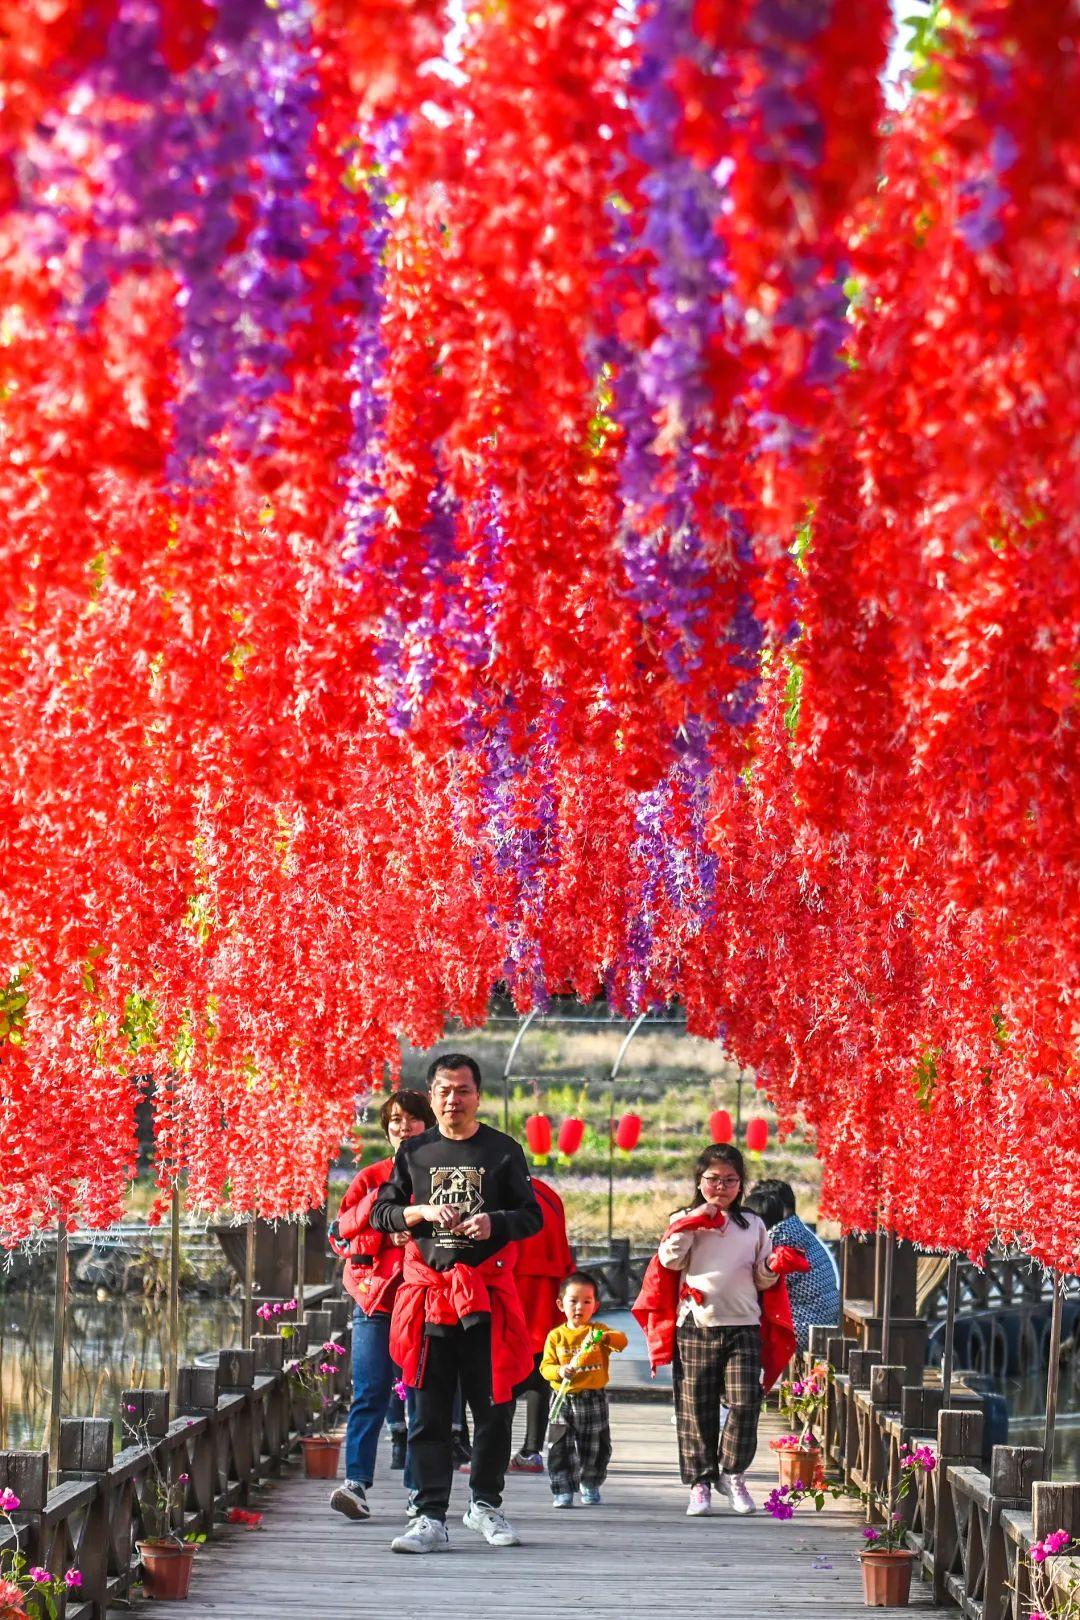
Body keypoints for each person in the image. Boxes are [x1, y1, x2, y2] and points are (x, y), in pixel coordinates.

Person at [370, 1052, 542, 1555]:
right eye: (444, 1090)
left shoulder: (503, 1151)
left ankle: (484, 1503)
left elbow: (532, 1216)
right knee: (427, 1408)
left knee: (494, 1407)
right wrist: (419, 1211)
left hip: (486, 1294)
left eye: (462, 1090)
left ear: (477, 1096)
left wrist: (495, 1224)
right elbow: (382, 1213)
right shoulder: (414, 1152)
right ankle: (428, 1515)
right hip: (429, 1298)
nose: (453, 1099)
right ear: (431, 1096)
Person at [328, 1087, 436, 1521]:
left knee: (420, 1397)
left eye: (411, 1118)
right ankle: (356, 1483)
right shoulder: (371, 1177)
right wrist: (387, 1234)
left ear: (427, 1123)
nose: (403, 1126)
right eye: (394, 1119)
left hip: (425, 1297)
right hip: (375, 1296)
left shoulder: (441, 1175)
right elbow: (341, 1236)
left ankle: (417, 1489)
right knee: (369, 1390)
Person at [657, 1143, 779, 1519]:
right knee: (696, 1408)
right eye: (713, 1179)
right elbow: (669, 1259)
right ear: (700, 1180)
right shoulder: (684, 1218)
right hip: (697, 1324)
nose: (721, 1187)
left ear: (741, 1184)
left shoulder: (753, 1224)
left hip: (743, 1324)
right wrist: (692, 1222)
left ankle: (733, 1473)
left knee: (746, 1402)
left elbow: (761, 1277)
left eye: (730, 1180)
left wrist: (774, 1266)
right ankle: (700, 1484)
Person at [539, 1270, 627, 1508]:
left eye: (587, 1301)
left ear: (595, 1305)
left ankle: (590, 1481)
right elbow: (545, 1367)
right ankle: (562, 1489)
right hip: (563, 1397)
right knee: (560, 1446)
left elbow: (621, 1341)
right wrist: (559, 1371)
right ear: (560, 1304)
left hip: (593, 1398)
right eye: (573, 1301)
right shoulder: (556, 1336)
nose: (580, 1307)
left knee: (595, 1445)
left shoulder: (598, 1331)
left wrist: (604, 1338)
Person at [509, 1175, 574, 1472]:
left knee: (501, 1371)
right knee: (539, 1369)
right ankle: (531, 1451)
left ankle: (492, 1451)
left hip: (509, 1284)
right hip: (547, 1288)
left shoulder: (496, 1188)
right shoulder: (547, 1193)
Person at [743, 1179, 840, 1351]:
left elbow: (752, 1282)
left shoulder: (781, 1238)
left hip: (804, 1326)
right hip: (822, 1322)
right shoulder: (795, 1229)